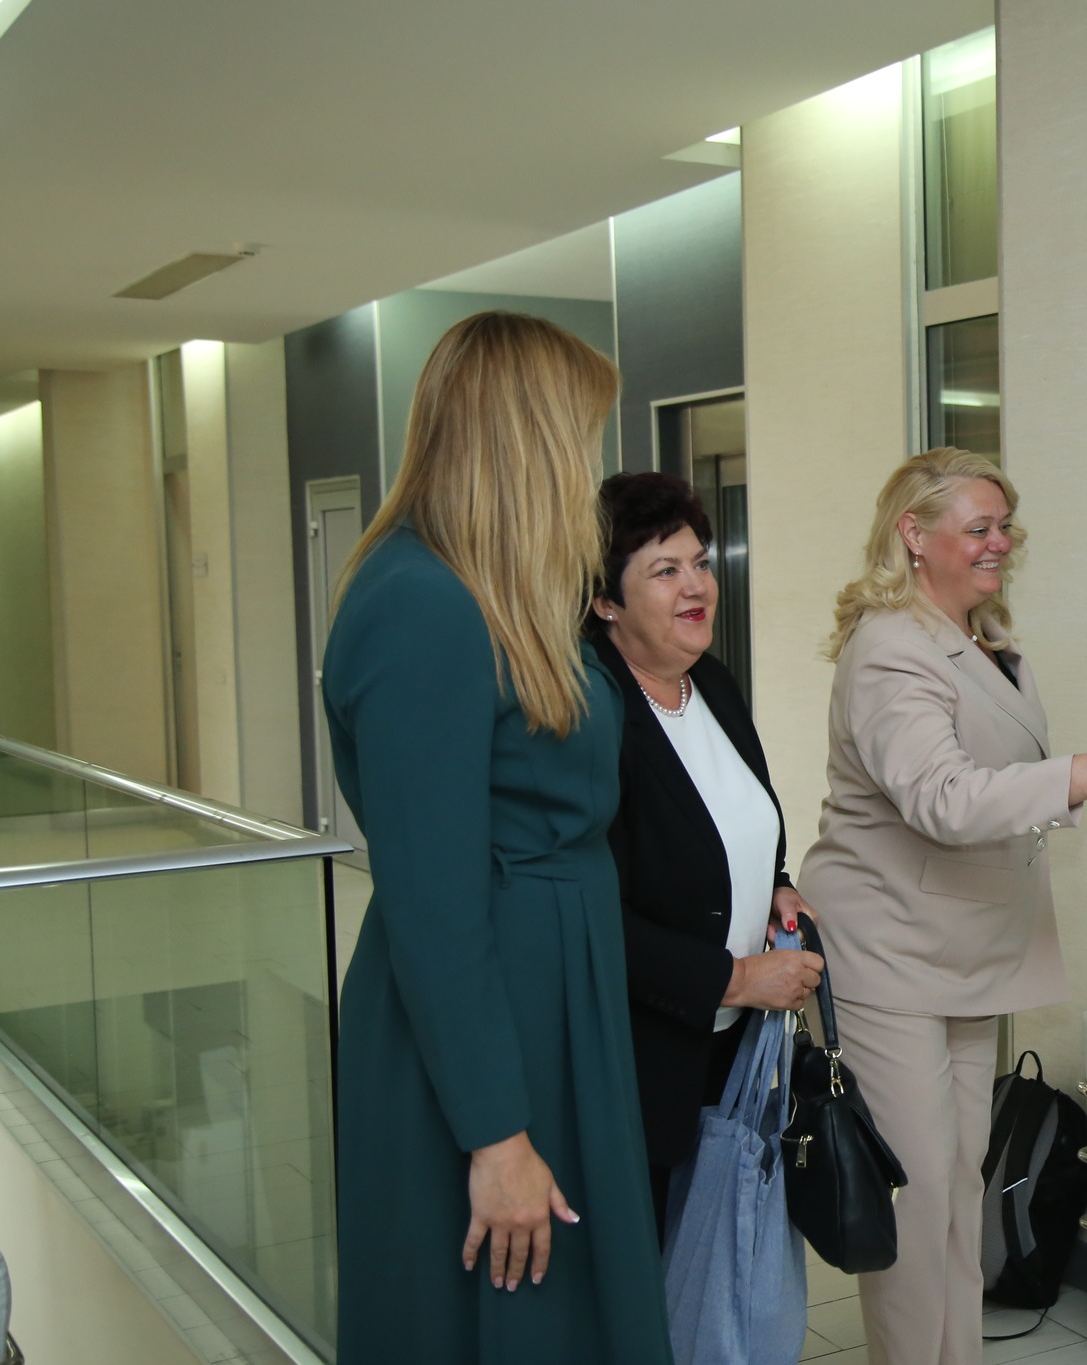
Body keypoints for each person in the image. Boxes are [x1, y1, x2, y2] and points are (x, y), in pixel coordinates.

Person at [797, 448, 1087, 1365]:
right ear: (913, 533)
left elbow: (996, 778)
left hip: (967, 947)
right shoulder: (891, 647)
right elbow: (942, 796)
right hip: (890, 952)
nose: (999, 543)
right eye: (978, 527)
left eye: (1004, 525)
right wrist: (1085, 774)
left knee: (958, 1186)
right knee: (917, 1194)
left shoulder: (983, 639)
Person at [323, 312, 672, 1363]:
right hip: (486, 1029)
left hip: (551, 999)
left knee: (567, 1312)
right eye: (581, 436)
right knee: (494, 1316)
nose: (587, 467)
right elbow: (432, 900)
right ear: (526, 440)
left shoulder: (496, 595)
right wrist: (496, 1133)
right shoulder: (420, 603)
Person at [586, 471, 824, 1245]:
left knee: (713, 1268)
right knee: (648, 1263)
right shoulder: (592, 716)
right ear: (605, 600)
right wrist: (737, 977)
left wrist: (776, 886)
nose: (697, 586)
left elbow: (738, 826)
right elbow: (593, 915)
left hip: (730, 1047)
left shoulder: (712, 684)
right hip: (642, 1056)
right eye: (665, 570)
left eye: (700, 562)